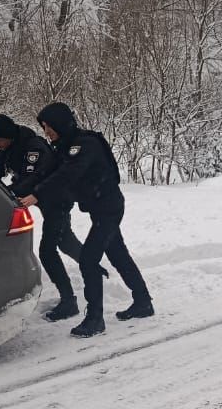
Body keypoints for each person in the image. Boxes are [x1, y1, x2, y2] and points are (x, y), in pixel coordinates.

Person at [18, 102, 153, 338]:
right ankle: (143, 302)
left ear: (60, 123)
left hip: (109, 208)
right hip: (99, 208)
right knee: (118, 255)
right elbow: (46, 173)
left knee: (89, 260)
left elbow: (68, 174)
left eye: (48, 127)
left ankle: (95, 319)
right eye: (43, 128)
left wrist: (37, 195)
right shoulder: (64, 146)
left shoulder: (85, 144)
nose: (46, 132)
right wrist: (16, 191)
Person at [0, 113, 97, 323]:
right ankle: (92, 267)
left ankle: (69, 301)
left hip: (57, 198)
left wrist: (6, 193)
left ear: (8, 136)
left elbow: (33, 178)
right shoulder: (8, 148)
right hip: (41, 198)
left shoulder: (33, 147)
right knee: (65, 242)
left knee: (47, 251)